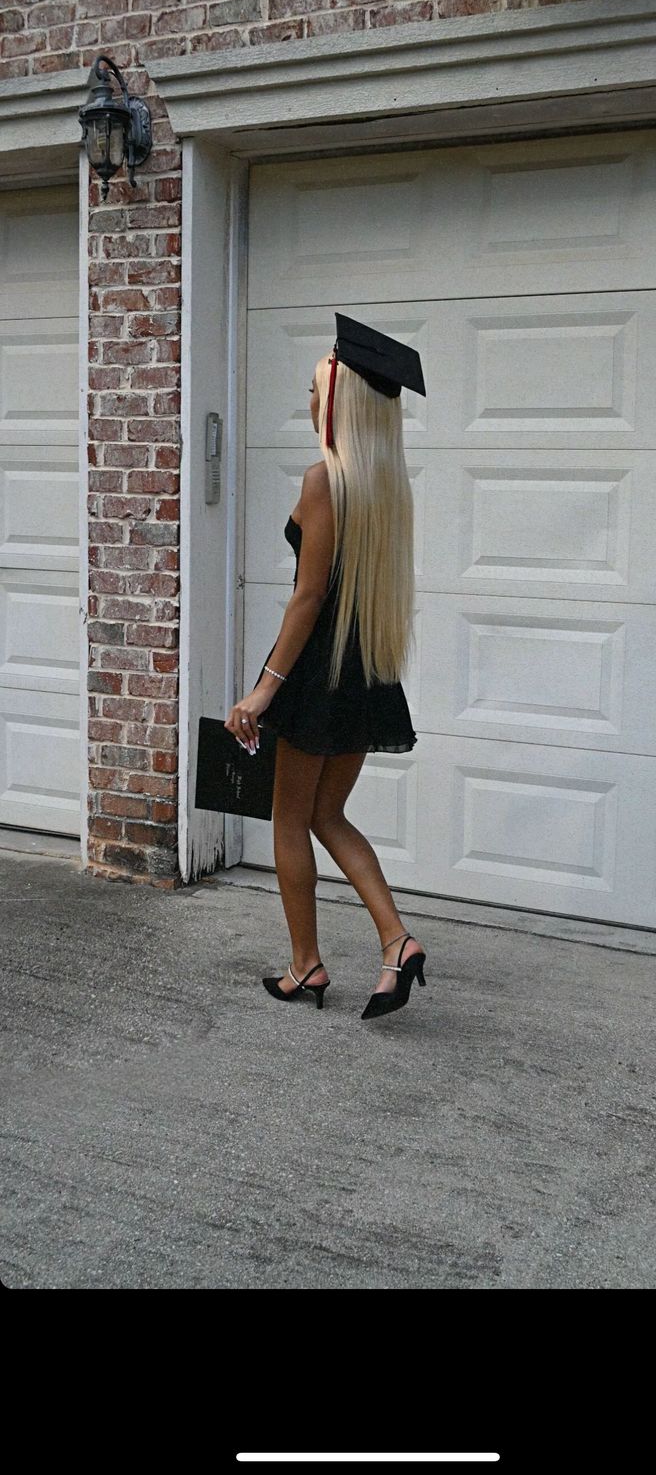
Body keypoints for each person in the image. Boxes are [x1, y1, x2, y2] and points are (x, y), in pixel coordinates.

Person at [224, 315, 427, 1021]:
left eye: (317, 389)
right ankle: (397, 941)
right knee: (329, 815)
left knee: (289, 820)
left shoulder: (322, 482)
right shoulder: (386, 489)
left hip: (313, 678)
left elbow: (308, 597)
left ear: (340, 401)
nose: (312, 401)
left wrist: (261, 689)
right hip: (366, 672)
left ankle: (305, 966)